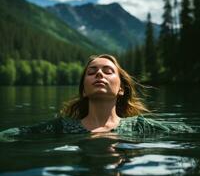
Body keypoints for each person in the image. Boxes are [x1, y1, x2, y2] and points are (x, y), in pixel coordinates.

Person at [0, 54, 194, 140]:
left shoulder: (140, 126)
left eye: (108, 71)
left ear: (121, 89)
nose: (99, 74)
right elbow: (16, 133)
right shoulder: (61, 127)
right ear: (83, 90)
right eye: (92, 72)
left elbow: (188, 132)